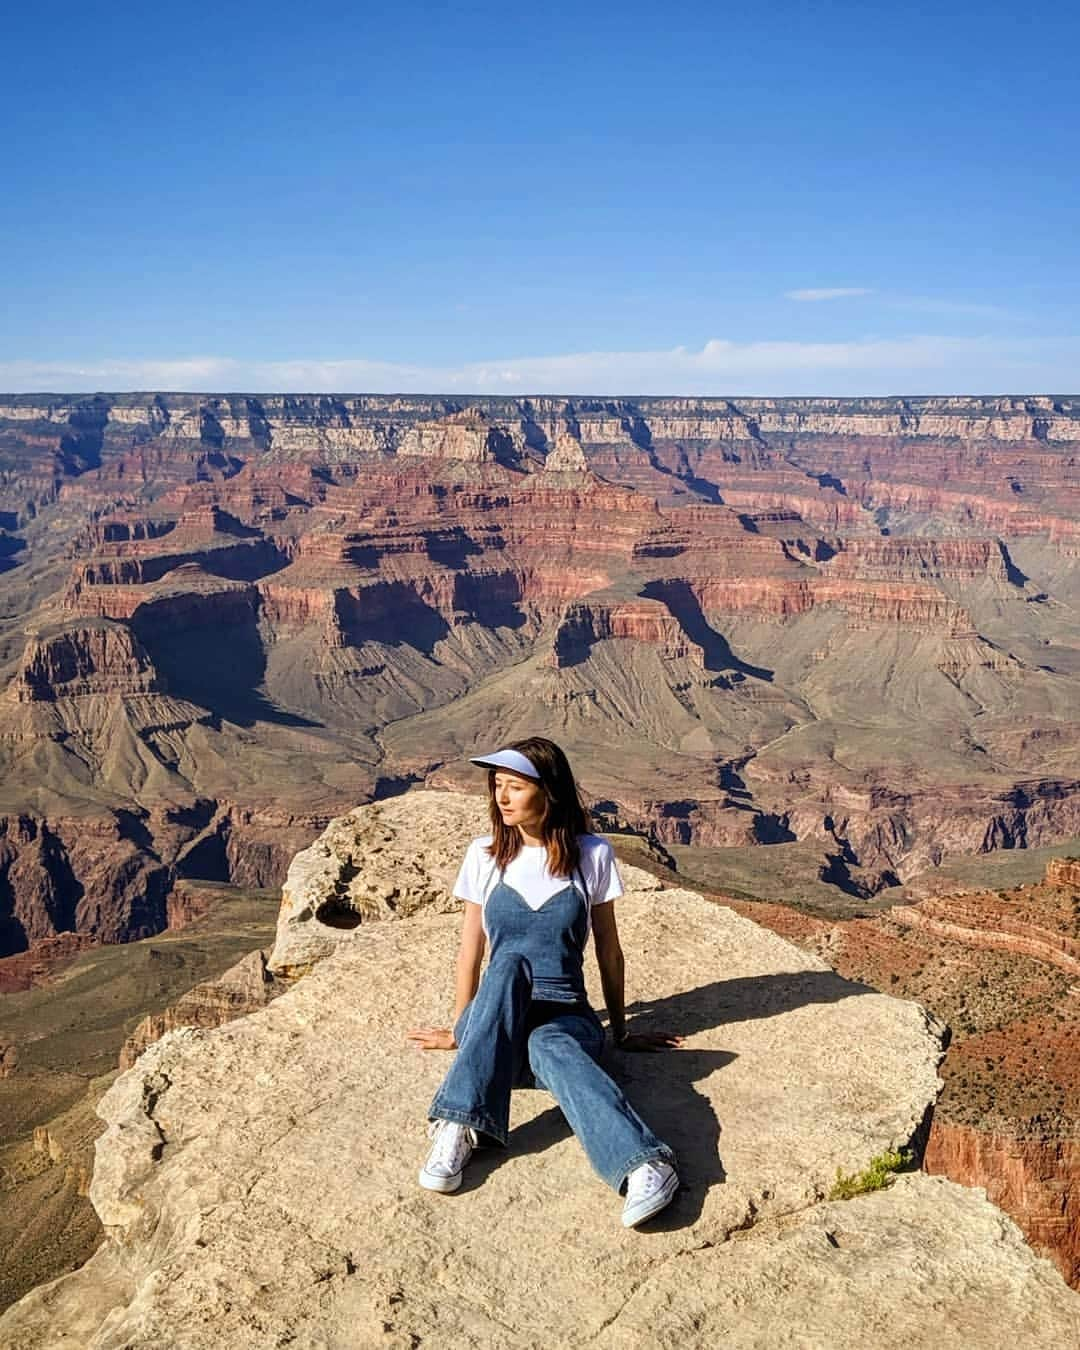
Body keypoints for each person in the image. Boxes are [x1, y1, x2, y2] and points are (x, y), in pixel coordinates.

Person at [407, 736, 682, 1228]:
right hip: (495, 1012)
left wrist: (619, 1032)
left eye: (515, 786)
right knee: (508, 963)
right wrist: (461, 1030)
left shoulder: (591, 855)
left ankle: (645, 1165)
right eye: (497, 786)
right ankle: (458, 1123)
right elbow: (471, 951)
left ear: (549, 792)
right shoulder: (484, 855)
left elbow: (608, 950)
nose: (502, 797)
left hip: (565, 1013)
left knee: (554, 1048)